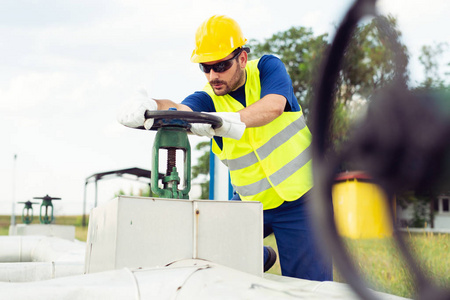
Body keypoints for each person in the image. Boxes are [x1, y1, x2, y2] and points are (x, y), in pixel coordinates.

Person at [118, 15, 332, 281]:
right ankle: (260, 256)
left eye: (221, 65)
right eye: (205, 68)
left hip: (304, 201)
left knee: (310, 288)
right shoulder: (207, 98)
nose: (213, 76)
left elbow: (274, 105)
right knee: (208, 254)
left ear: (242, 58)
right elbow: (182, 110)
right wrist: (151, 104)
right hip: (249, 204)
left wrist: (229, 121)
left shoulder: (267, 68)